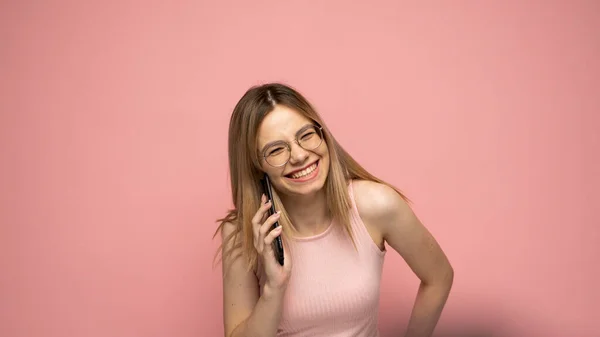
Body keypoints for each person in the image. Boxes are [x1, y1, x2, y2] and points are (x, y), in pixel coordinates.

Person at [214, 83, 454, 337]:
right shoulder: (241, 233)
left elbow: (439, 276)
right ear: (257, 166)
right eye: (276, 150)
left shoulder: (376, 204)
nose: (299, 156)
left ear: (323, 134)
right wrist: (274, 287)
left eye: (306, 135)